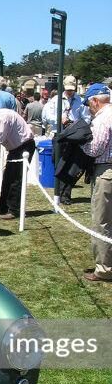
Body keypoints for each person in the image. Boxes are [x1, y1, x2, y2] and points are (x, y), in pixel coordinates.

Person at [80, 83, 112, 282]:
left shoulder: (102, 119)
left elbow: (95, 149)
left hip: (107, 172)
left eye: (88, 104)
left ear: (95, 101)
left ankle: (104, 269)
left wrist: (80, 143)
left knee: (102, 221)